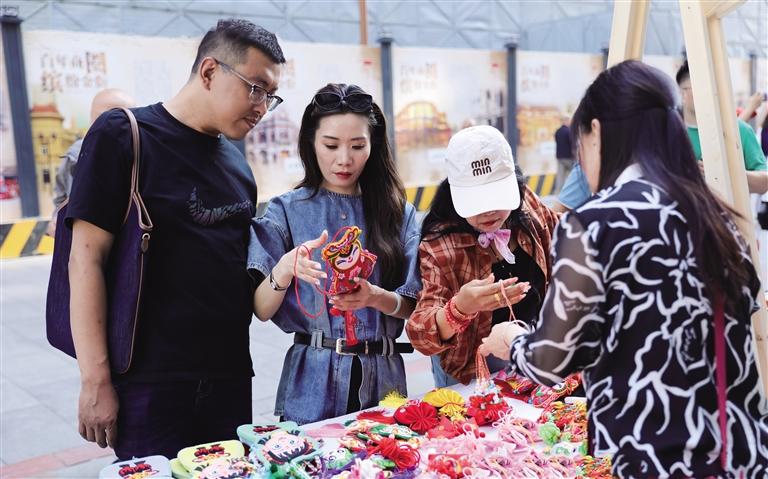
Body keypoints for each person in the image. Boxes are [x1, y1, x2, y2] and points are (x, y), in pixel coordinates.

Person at [480, 60, 768, 478]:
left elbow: (551, 360)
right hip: (742, 454)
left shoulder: (594, 223)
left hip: (659, 459)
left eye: (580, 145)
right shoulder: (714, 214)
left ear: (596, 132)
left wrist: (510, 338)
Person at [65, 19, 285, 459]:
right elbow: (85, 261)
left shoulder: (239, 168)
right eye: (256, 87)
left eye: (271, 95)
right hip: (149, 385)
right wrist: (96, 379)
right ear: (209, 71)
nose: (262, 106)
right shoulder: (123, 135)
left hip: (229, 380)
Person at [248, 83, 421, 425]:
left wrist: (375, 297)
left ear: (373, 145)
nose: (344, 159)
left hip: (383, 382)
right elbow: (261, 309)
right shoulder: (286, 211)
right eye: (330, 145)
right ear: (310, 143)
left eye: (357, 146)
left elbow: (415, 307)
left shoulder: (398, 213)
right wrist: (285, 268)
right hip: (311, 385)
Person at [407, 125, 558, 387]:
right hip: (469, 367)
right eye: (477, 200)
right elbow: (420, 333)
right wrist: (459, 309)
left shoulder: (528, 206)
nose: (489, 211)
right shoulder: (440, 244)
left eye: (497, 196)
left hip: (530, 349)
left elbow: (565, 239)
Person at [48, 88, 135, 236]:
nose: (114, 125)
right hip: (82, 238)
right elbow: (62, 198)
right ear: (91, 119)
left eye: (124, 119)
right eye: (106, 118)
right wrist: (57, 220)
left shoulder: (145, 153)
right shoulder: (75, 155)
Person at [677, 61, 768, 195]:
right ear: (682, 93)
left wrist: (729, 172)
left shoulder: (741, 130)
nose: (709, 92)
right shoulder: (667, 131)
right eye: (700, 87)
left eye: (714, 87)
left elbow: (764, 183)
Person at [554, 114, 574, 192]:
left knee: (560, 175)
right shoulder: (569, 131)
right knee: (572, 174)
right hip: (569, 157)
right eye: (569, 120)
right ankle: (569, 190)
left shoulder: (557, 131)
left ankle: (558, 191)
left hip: (559, 157)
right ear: (566, 121)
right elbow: (572, 144)